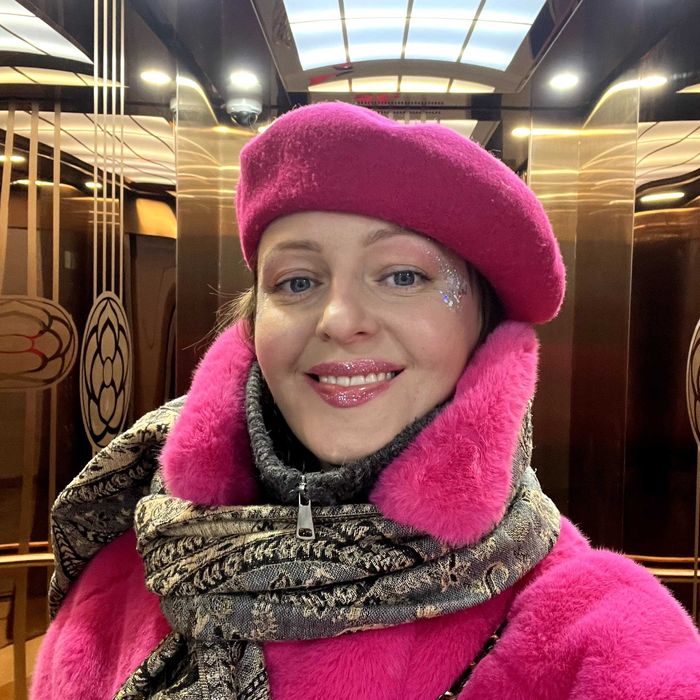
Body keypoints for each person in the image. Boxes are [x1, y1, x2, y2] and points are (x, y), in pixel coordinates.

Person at [33, 102, 700, 700]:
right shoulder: (131, 567)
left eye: (403, 275)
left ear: (484, 325)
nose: (339, 320)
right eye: (297, 281)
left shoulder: (593, 628)